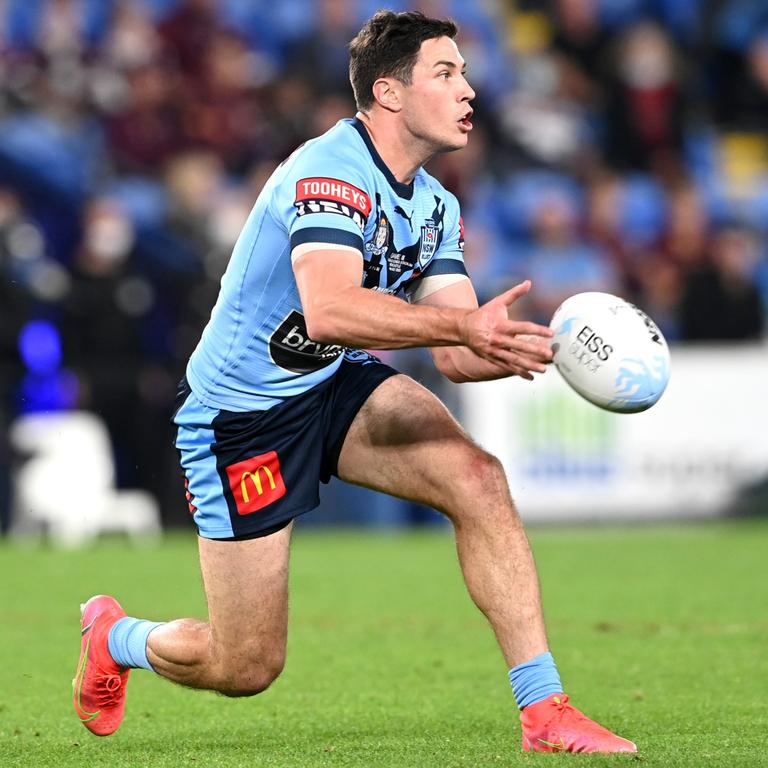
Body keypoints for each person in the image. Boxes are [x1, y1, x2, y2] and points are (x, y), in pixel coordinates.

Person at [72, 11, 636, 754]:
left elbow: (458, 348)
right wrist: (462, 330)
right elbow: (331, 308)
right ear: (389, 92)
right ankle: (118, 637)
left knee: (478, 478)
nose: (470, 88)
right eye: (447, 72)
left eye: (465, 71)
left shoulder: (435, 206)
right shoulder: (329, 171)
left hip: (333, 383)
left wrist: (536, 347)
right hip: (241, 419)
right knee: (245, 665)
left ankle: (545, 711)